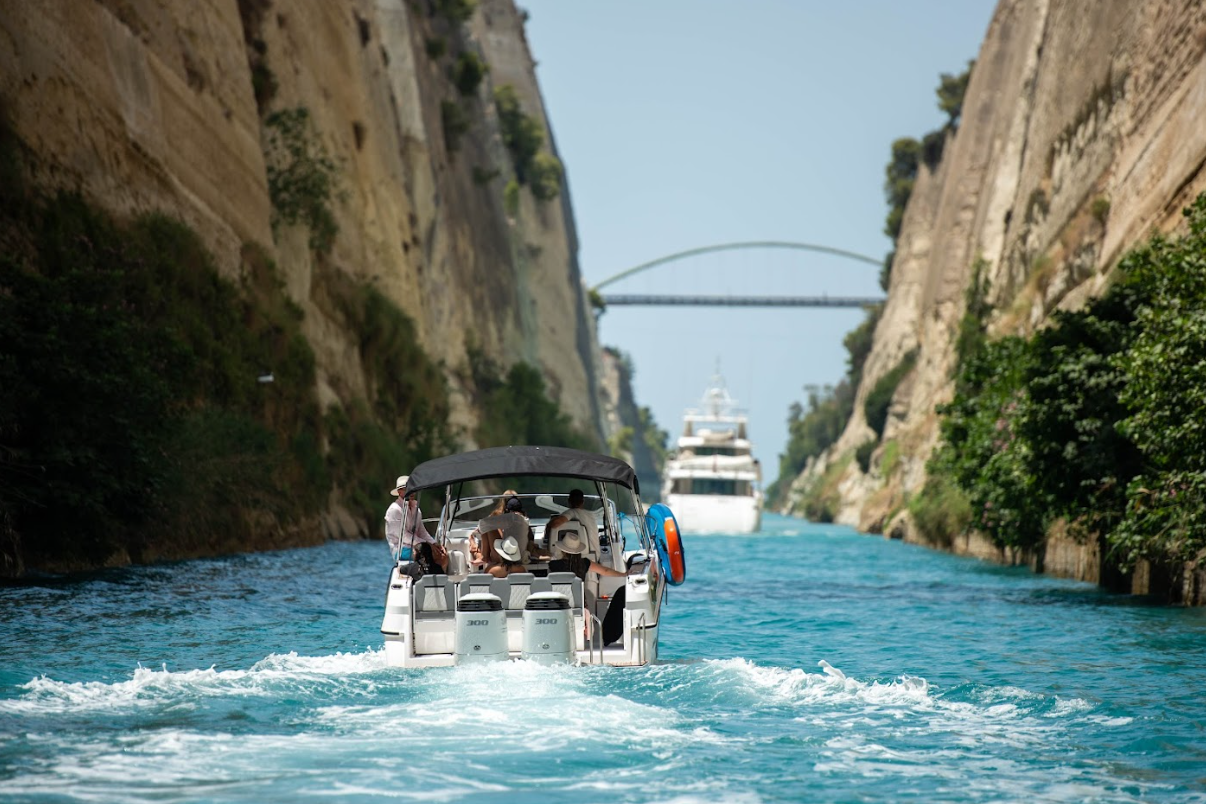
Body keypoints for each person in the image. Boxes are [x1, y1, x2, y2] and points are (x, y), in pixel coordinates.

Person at [547, 524, 633, 646]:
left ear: (562, 549)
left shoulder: (553, 565)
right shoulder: (584, 563)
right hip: (580, 603)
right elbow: (605, 571)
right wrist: (623, 574)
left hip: (559, 603)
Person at [384, 475, 436, 560]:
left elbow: (422, 532)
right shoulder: (394, 510)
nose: (412, 492)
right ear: (399, 492)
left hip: (417, 547)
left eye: (413, 489)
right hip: (400, 550)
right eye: (407, 489)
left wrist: (434, 544)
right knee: (429, 553)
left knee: (439, 551)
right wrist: (426, 544)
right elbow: (403, 536)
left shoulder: (417, 510)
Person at [477, 494, 534, 564]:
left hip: (505, 558)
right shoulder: (525, 520)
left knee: (490, 528)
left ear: (507, 510)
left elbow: (483, 523)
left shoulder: (512, 517)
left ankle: (484, 556)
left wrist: (479, 532)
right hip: (520, 557)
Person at [546, 489, 600, 560]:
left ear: (569, 501)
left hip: (581, 558)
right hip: (595, 556)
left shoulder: (572, 512)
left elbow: (555, 523)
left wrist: (548, 526)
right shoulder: (591, 515)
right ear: (583, 502)